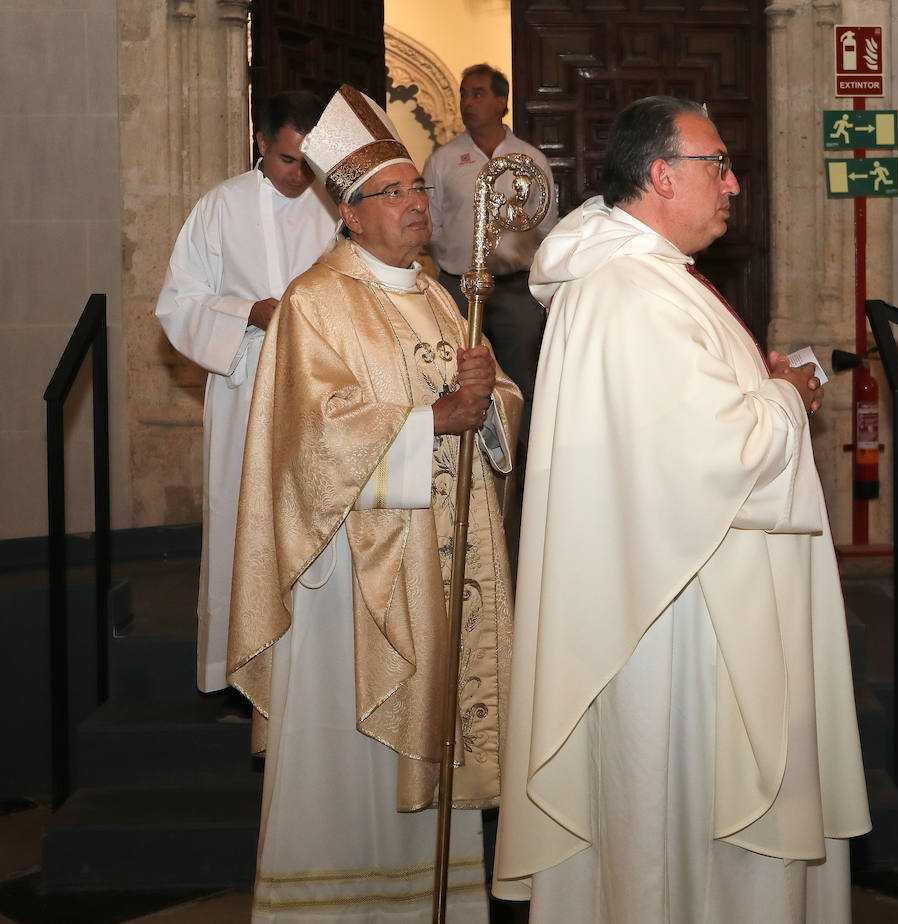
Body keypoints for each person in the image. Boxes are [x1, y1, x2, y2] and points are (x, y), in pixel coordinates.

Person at [493, 95, 871, 923]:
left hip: (674, 593)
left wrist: (756, 384)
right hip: (678, 620)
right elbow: (713, 458)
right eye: (718, 165)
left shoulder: (644, 281)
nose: (734, 184)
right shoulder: (632, 290)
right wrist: (786, 391)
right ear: (662, 176)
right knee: (686, 829)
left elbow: (685, 423)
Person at [227, 85, 521, 921]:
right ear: (350, 215)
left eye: (419, 189)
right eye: (395, 193)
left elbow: (494, 403)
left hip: (440, 564)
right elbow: (309, 436)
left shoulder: (440, 296)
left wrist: (489, 406)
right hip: (348, 581)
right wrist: (434, 419)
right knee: (340, 763)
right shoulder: (315, 303)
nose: (417, 204)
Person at [155, 90, 335, 695]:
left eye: (309, 163)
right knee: (244, 516)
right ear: (262, 143)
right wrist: (245, 312)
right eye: (288, 160)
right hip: (246, 380)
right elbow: (178, 303)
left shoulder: (336, 207)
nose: (298, 175)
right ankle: (240, 674)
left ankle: (311, 667)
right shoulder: (220, 207)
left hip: (321, 386)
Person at [423, 63, 557, 557]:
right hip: (458, 291)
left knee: (522, 387)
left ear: (502, 101)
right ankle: (465, 490)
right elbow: (430, 225)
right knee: (458, 384)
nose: (467, 101)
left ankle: (526, 504)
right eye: (463, 93)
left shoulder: (529, 159)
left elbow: (547, 227)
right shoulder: (443, 159)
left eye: (478, 93)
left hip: (515, 292)